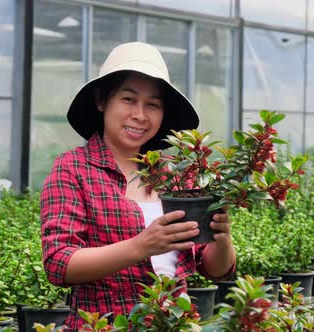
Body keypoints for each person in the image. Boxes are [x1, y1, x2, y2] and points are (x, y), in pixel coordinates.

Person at [40, 42, 236, 329]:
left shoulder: (175, 175)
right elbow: (59, 263)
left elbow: (215, 270)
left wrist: (222, 235)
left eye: (153, 104)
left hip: (174, 323)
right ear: (101, 101)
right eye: (128, 99)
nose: (140, 115)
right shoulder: (73, 168)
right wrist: (141, 246)